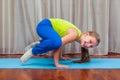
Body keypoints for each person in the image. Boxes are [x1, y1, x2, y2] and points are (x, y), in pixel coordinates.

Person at [20, 18, 100, 68]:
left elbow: (62, 42)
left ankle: (39, 44)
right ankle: (32, 51)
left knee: (57, 41)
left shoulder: (77, 35)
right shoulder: (75, 34)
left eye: (91, 46)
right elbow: (59, 44)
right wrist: (57, 63)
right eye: (90, 41)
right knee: (56, 42)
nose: (88, 45)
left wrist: (60, 57)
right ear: (86, 34)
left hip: (46, 26)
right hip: (44, 25)